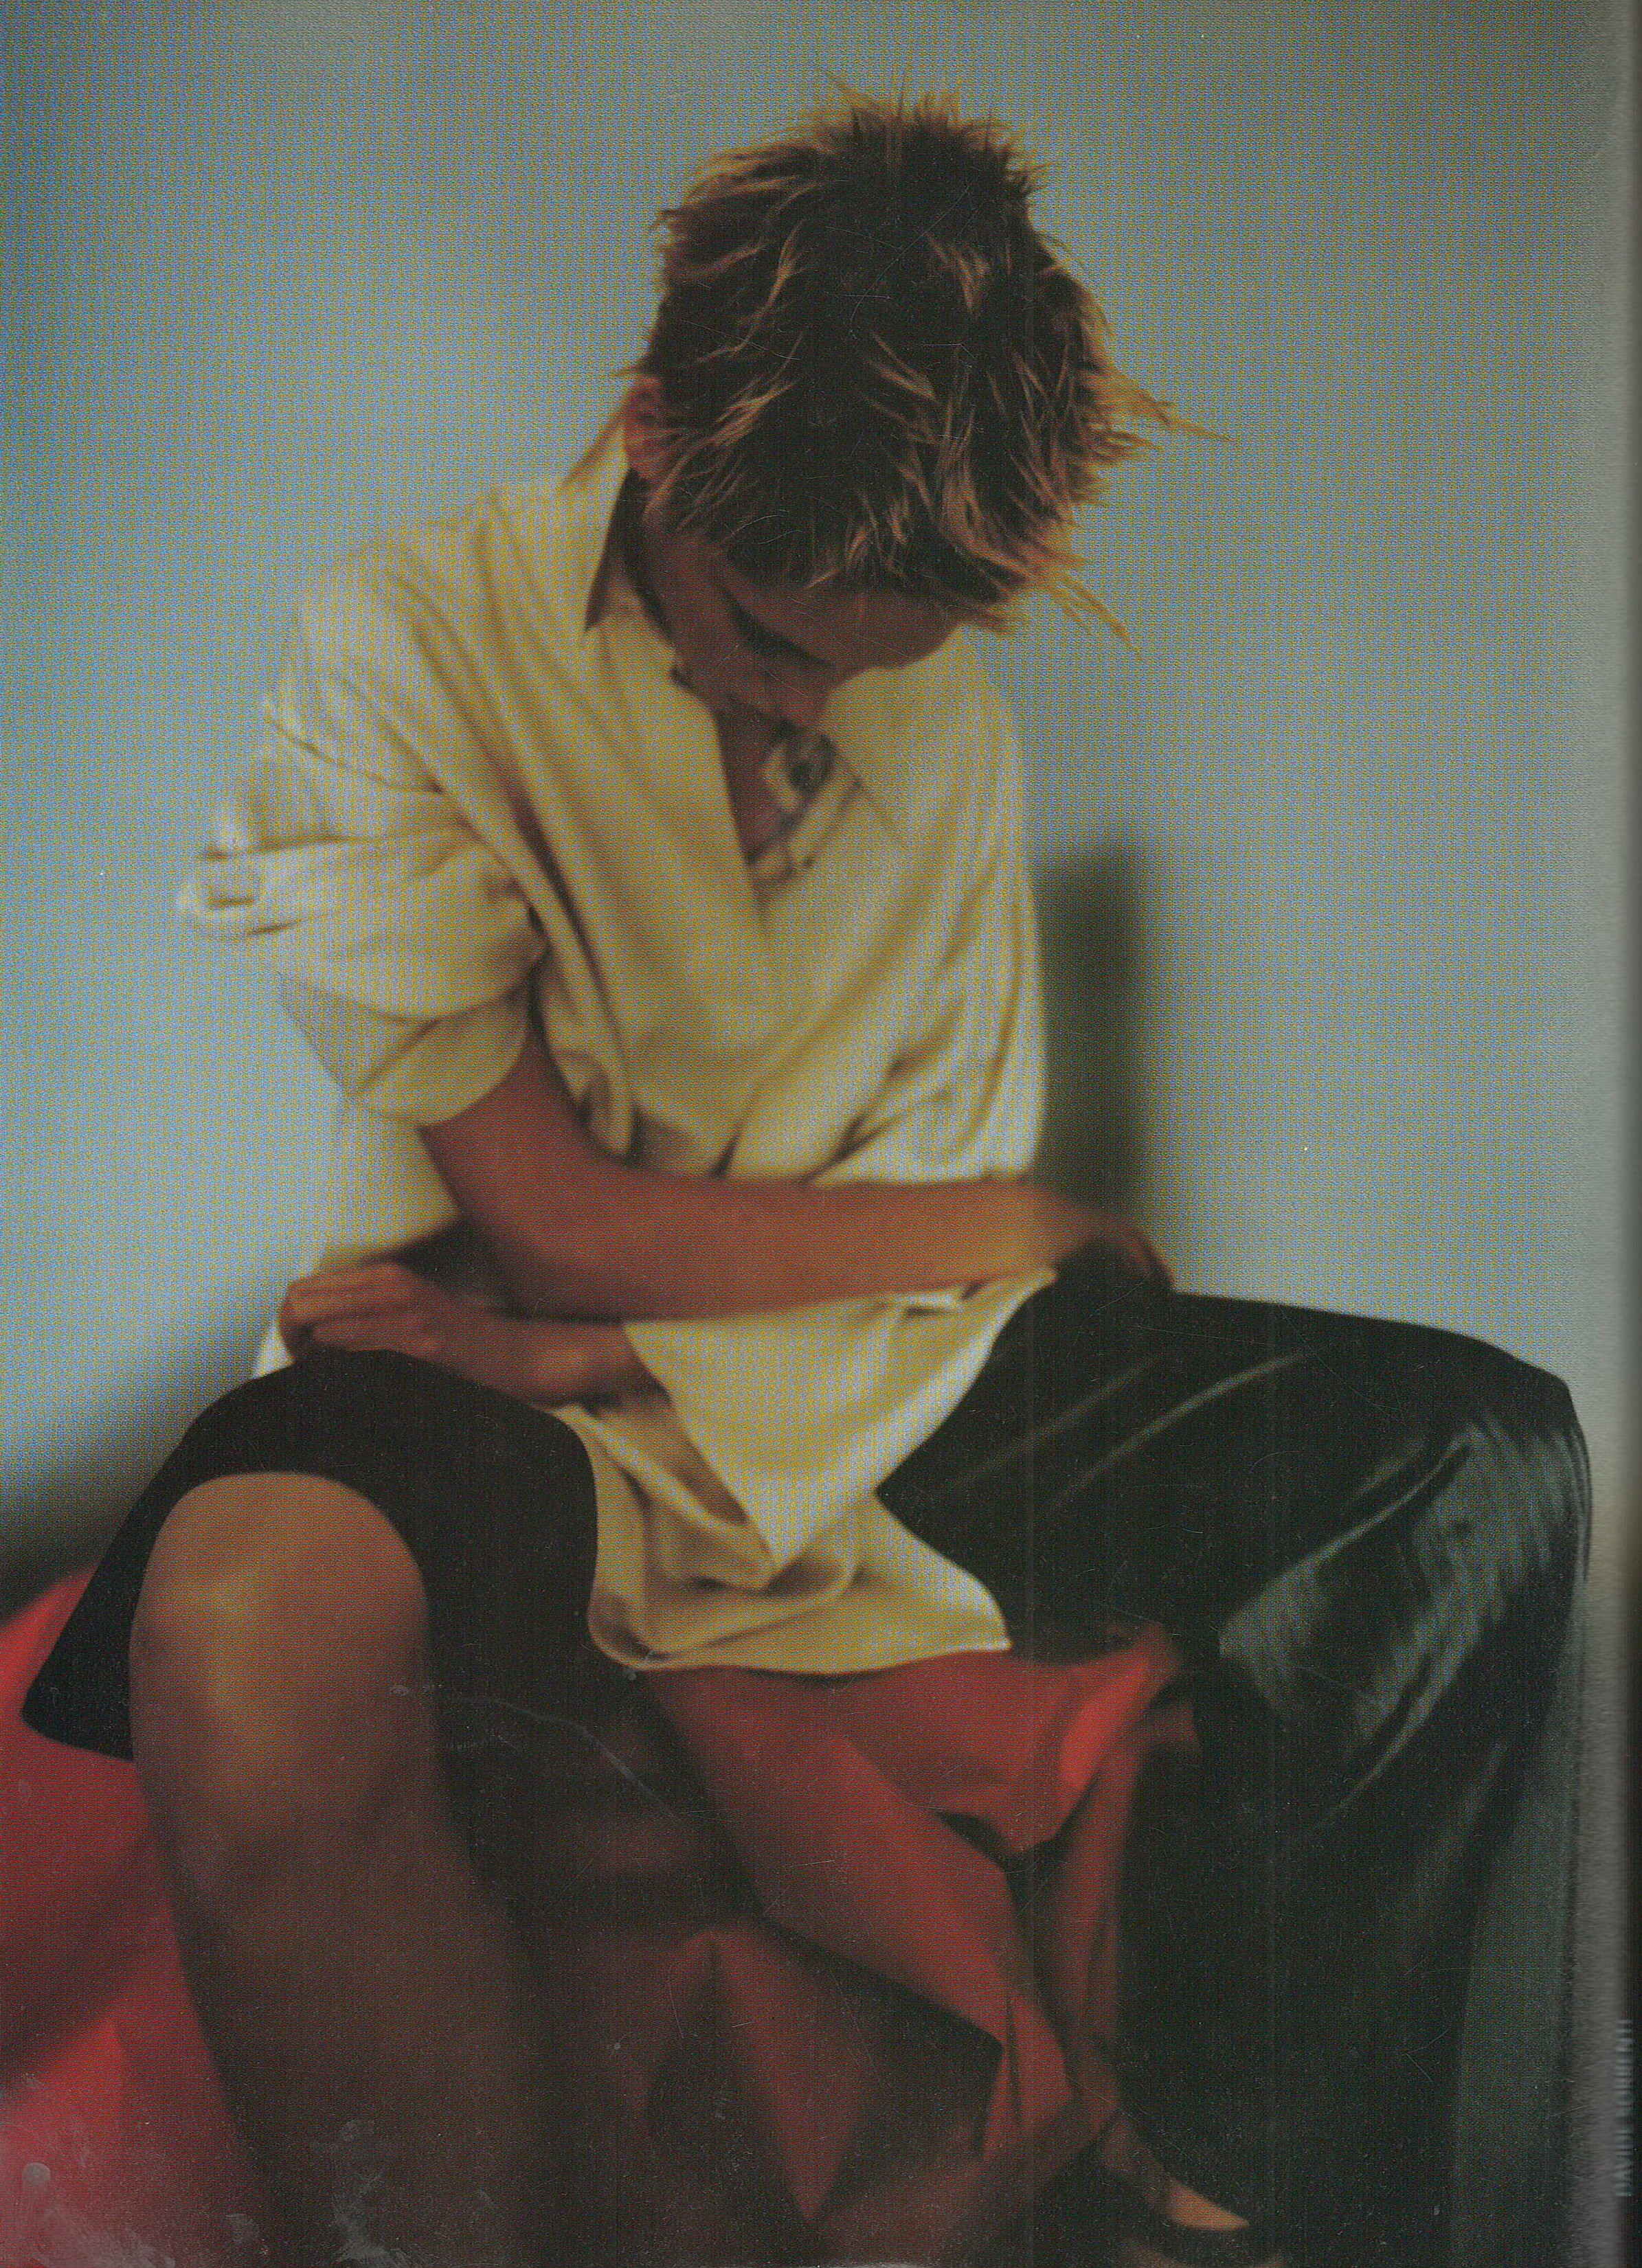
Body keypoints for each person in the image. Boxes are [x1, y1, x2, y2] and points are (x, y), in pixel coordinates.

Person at [20, 98, 1587, 2268]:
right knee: (242, 1610)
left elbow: (881, 1266)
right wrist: (997, 1231)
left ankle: (1223, 2204)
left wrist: (822, 1288)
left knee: (1481, 1458)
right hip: (475, 1375)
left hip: (837, 1386)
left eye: (865, 668)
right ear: (651, 432)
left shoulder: (944, 727)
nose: (806, 715)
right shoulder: (403, 638)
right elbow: (558, 1219)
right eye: (766, 641)